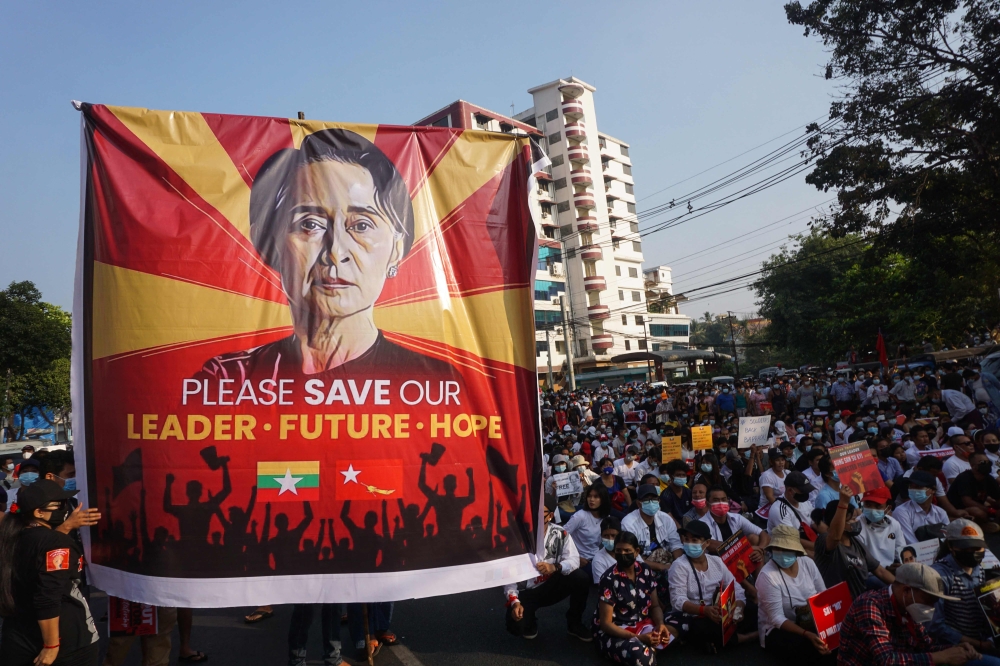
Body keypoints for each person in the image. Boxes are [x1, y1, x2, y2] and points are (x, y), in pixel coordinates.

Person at [0, 480, 100, 666]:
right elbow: (48, 595)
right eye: (59, 505)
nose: (65, 508)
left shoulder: (11, 536)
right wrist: (52, 645)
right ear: (39, 513)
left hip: (17, 635)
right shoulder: (54, 542)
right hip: (64, 640)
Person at [837, 562, 980, 666]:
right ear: (906, 591)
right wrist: (941, 657)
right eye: (928, 600)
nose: (931, 607)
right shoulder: (870, 605)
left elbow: (926, 647)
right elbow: (886, 660)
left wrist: (955, 649)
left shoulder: (909, 609)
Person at [503, 496, 592, 641]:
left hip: (552, 585)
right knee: (517, 627)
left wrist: (555, 567)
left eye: (540, 512)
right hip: (527, 591)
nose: (535, 516)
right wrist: (515, 602)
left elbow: (574, 560)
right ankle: (530, 620)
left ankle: (574, 623)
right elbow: (508, 575)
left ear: (550, 516)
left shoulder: (560, 533)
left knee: (580, 578)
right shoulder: (517, 537)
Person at [667, 520, 752, 653]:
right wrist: (704, 610)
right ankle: (749, 637)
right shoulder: (679, 566)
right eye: (686, 540)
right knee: (704, 628)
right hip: (695, 615)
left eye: (694, 540)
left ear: (706, 543)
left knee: (753, 611)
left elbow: (736, 587)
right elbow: (678, 601)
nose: (689, 544)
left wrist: (738, 609)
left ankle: (721, 641)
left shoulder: (717, 562)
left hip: (721, 610)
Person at [755, 525, 834, 665]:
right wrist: (807, 634)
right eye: (778, 548)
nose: (782, 553)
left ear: (796, 551)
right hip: (778, 629)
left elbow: (823, 594)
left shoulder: (808, 563)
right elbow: (777, 618)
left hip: (811, 621)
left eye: (787, 549)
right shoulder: (767, 576)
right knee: (810, 649)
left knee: (837, 643)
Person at [594, 531, 675, 666]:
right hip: (617, 631)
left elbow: (655, 606)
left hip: (643, 624)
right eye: (618, 550)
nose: (623, 554)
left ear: (637, 551)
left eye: (627, 550)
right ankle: (648, 649)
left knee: (681, 619)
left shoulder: (645, 570)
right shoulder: (609, 579)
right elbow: (606, 624)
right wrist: (639, 638)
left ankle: (650, 647)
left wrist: (660, 624)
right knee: (642, 658)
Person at [930, 520, 1000, 660]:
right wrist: (979, 644)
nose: (973, 553)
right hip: (958, 647)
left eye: (978, 548)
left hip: (985, 638)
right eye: (967, 549)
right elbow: (935, 626)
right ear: (951, 546)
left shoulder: (978, 568)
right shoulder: (939, 575)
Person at [814, 487, 894, 598]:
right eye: (851, 519)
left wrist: (901, 587)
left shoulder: (856, 543)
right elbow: (836, 536)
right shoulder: (825, 540)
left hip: (859, 600)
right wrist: (843, 502)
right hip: (837, 603)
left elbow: (880, 571)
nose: (856, 521)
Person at [621, 484, 682, 579]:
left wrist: (679, 565)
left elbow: (675, 544)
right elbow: (633, 556)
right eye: (646, 500)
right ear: (638, 503)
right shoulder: (628, 523)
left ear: (659, 501)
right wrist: (662, 567)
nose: (651, 502)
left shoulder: (665, 518)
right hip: (642, 567)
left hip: (667, 561)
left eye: (654, 499)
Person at [945, 452, 1000, 533]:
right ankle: (982, 526)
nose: (987, 464)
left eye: (988, 462)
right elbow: (967, 502)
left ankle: (989, 523)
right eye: (983, 462)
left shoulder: (989, 479)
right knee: (977, 511)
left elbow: (998, 497)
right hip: (959, 510)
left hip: (980, 507)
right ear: (973, 466)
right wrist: (991, 511)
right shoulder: (964, 478)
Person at [564, 483, 612, 574]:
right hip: (580, 560)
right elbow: (561, 537)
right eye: (589, 496)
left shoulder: (606, 517)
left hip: (597, 556)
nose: (592, 500)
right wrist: (576, 558)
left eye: (596, 497)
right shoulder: (580, 516)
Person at [895, 470, 952, 544]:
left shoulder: (940, 513)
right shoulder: (901, 512)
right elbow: (911, 542)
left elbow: (947, 539)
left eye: (918, 487)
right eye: (911, 486)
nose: (913, 490)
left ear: (933, 490)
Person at [856, 486, 906, 569]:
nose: (872, 510)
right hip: (870, 574)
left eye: (878, 506)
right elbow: (861, 560)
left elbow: (901, 551)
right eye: (868, 505)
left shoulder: (894, 524)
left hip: (891, 569)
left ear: (888, 508)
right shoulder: (857, 526)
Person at [767, 471, 816, 556]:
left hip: (806, 540)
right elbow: (792, 540)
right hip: (787, 548)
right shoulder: (779, 510)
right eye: (803, 491)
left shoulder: (804, 502)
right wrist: (819, 547)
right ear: (790, 490)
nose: (806, 494)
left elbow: (816, 523)